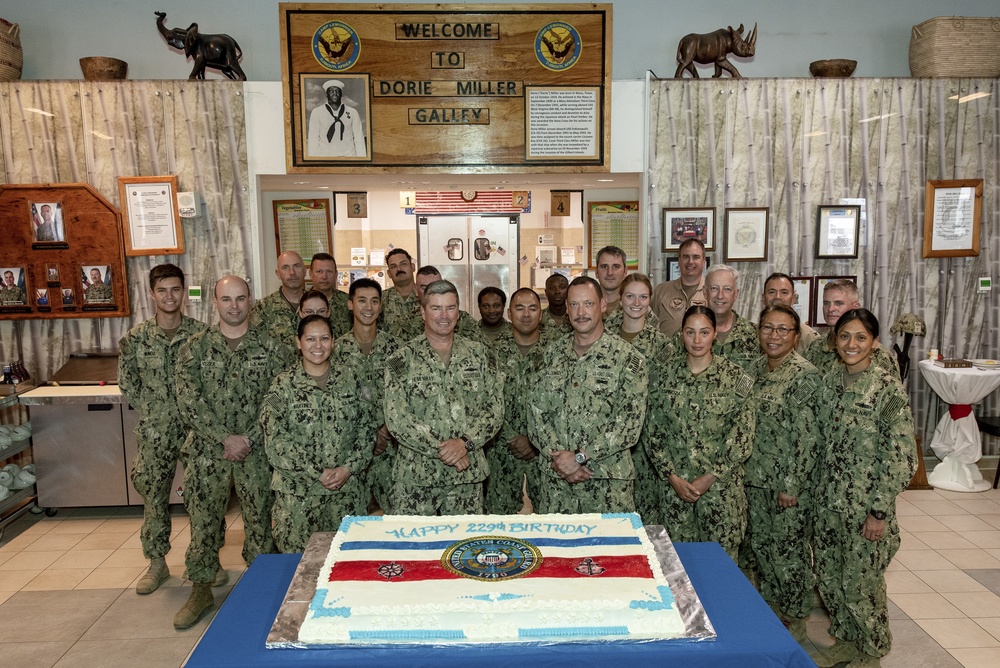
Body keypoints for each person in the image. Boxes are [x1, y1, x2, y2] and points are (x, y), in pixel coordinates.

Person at [173, 276, 283, 630]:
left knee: (260, 523)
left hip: (257, 452)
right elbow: (188, 400)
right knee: (203, 523)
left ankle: (261, 590)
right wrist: (224, 438)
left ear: (250, 300)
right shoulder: (194, 348)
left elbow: (277, 397)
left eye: (240, 298)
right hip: (209, 452)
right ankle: (201, 589)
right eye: (226, 299)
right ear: (214, 303)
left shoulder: (273, 346)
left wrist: (248, 437)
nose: (233, 305)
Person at [811, 309, 916, 668]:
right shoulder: (828, 382)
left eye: (860, 337)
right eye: (844, 336)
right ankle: (846, 639)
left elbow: (902, 458)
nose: (851, 344)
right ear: (834, 341)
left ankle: (871, 653)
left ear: (873, 342)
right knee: (829, 579)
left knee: (862, 588)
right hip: (827, 503)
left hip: (864, 509)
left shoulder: (886, 389)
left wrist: (879, 511)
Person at [118, 264, 206, 596]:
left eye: (175, 290)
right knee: (154, 499)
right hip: (155, 434)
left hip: (195, 432)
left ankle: (205, 560)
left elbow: (210, 383)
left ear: (184, 292)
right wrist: (155, 412)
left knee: (201, 499)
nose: (170, 296)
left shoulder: (200, 335)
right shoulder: (136, 338)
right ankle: (156, 563)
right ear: (152, 294)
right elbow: (128, 383)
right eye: (162, 290)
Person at [528, 276, 648, 513]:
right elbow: (535, 415)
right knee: (557, 551)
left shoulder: (628, 359)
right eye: (574, 305)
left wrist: (580, 458)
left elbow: (629, 425)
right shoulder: (547, 356)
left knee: (611, 551)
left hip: (607, 485)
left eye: (588, 304)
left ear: (603, 305)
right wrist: (561, 461)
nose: (581, 312)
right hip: (556, 485)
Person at [383, 279, 503, 515]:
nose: (443, 315)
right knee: (416, 551)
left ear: (458, 312)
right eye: (436, 308)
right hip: (416, 479)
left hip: (466, 479)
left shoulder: (480, 355)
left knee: (464, 547)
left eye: (450, 307)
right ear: (423, 312)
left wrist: (464, 443)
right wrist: (448, 451)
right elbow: (397, 419)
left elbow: (495, 410)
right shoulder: (402, 359)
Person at [646, 305, 755, 560]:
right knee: (679, 571)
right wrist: (672, 477)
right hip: (676, 494)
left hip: (721, 495)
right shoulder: (664, 376)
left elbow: (742, 436)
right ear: (681, 334)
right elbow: (653, 431)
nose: (697, 340)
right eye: (690, 332)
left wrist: (710, 476)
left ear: (715, 333)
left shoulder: (736, 377)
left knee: (720, 571)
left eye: (704, 332)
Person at [744, 304, 822, 643]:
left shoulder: (805, 376)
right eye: (767, 328)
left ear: (795, 335)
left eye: (782, 330)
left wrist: (791, 485)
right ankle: (772, 614)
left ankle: (796, 622)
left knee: (788, 555)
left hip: (786, 486)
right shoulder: (752, 369)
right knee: (762, 549)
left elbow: (807, 439)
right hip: (752, 481)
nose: (773, 336)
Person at [260, 314, 369, 553]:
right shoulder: (282, 385)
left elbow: (366, 429)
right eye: (310, 339)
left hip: (346, 492)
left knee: (346, 561)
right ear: (298, 342)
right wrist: (316, 472)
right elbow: (276, 440)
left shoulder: (350, 379)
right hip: (299, 496)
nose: (318, 346)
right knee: (297, 564)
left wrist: (348, 467)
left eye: (324, 338)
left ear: (333, 342)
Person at [330, 278, 400, 514]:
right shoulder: (334, 351)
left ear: (381, 306)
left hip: (391, 450)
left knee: (397, 522)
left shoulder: (398, 350)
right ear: (350, 304)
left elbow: (406, 398)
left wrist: (385, 431)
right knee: (351, 526)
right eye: (362, 301)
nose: (368, 307)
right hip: (349, 454)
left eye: (374, 301)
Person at [605, 273, 671, 524]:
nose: (636, 302)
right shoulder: (603, 338)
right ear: (620, 299)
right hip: (608, 440)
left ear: (650, 301)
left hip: (647, 441)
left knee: (647, 514)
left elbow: (665, 396)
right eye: (630, 296)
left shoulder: (663, 346)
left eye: (643, 296)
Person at [485, 288, 554, 514]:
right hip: (501, 450)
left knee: (550, 520)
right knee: (498, 523)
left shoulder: (557, 354)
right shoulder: (491, 354)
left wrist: (533, 440)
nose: (526, 314)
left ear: (541, 314)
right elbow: (484, 403)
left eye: (533, 308)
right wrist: (511, 437)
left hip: (547, 452)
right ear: (509, 313)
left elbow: (564, 407)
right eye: (520, 308)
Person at [804, 279, 897, 375]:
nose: (831, 309)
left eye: (839, 303)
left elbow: (892, 388)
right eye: (826, 303)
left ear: (855, 307)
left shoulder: (877, 353)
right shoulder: (815, 347)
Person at [704, 264, 761, 372]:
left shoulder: (755, 334)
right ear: (704, 292)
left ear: (736, 294)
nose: (720, 295)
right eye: (714, 288)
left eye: (727, 289)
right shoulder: (687, 335)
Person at [651, 238, 708, 336]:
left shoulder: (713, 292)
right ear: (679, 261)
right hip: (667, 351)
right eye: (686, 257)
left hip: (701, 350)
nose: (690, 262)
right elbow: (651, 327)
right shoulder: (661, 291)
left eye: (696, 257)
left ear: (704, 262)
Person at [250, 250, 306, 346]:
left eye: (296, 266)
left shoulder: (317, 304)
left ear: (305, 271)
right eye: (285, 267)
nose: (292, 272)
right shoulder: (263, 308)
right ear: (278, 274)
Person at [760, 272, 820, 354]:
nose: (777, 297)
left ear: (793, 298)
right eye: (771, 292)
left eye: (784, 292)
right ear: (763, 298)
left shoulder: (809, 337)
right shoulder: (751, 332)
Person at [307, 79, 366, 157]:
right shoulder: (317, 112)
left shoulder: (353, 112)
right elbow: (313, 139)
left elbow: (359, 138)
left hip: (349, 158)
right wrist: (313, 163)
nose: (334, 93)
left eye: (337, 91)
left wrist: (362, 160)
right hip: (326, 158)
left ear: (341, 94)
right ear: (326, 95)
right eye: (331, 91)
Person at [309, 252, 352, 339]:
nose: (324, 277)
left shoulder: (347, 301)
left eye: (329, 271)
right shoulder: (303, 302)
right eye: (319, 271)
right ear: (311, 274)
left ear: (336, 274)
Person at [381, 248, 421, 339]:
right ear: (389, 273)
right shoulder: (381, 299)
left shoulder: (426, 297)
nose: (399, 269)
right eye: (393, 266)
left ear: (413, 267)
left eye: (403, 264)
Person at [595, 245, 628, 316]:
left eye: (616, 267)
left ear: (625, 272)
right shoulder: (585, 305)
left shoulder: (636, 305)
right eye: (604, 266)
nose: (610, 272)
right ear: (596, 272)